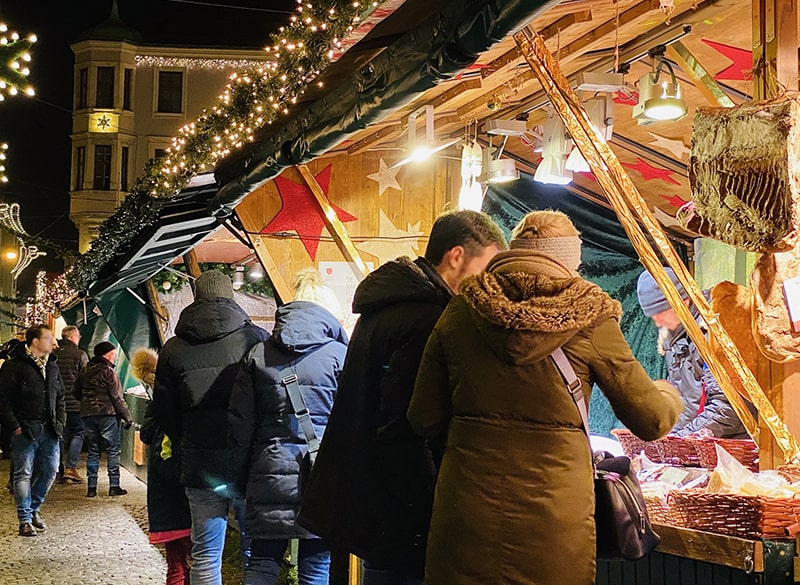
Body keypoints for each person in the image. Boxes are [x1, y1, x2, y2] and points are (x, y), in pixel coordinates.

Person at [407, 210, 683, 585]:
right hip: (555, 525)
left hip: (467, 515)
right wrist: (668, 392)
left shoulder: (460, 311)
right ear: (569, 261)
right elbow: (652, 420)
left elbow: (423, 416)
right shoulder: (591, 316)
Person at [298, 210, 507, 584]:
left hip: (366, 497)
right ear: (456, 256)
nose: (488, 282)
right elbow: (404, 429)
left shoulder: (388, 306)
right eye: (486, 267)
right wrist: (433, 510)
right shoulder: (426, 318)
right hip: (396, 511)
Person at [153, 269, 268, 585]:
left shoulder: (174, 348)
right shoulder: (255, 338)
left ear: (196, 297)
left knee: (206, 552)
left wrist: (185, 439)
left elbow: (164, 410)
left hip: (200, 464)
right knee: (253, 551)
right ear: (231, 295)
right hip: (248, 462)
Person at [231, 297, 348, 585]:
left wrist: (244, 472)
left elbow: (239, 420)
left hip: (268, 467)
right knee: (317, 564)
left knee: (262, 561)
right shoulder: (339, 355)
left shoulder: (257, 354)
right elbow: (353, 419)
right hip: (320, 473)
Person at [636, 267, 750, 438]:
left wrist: (681, 439)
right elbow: (682, 400)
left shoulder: (716, 328)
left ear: (684, 300)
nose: (658, 321)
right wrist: (667, 437)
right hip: (696, 443)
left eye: (661, 312)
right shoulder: (673, 336)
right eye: (653, 316)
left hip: (731, 444)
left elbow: (729, 406)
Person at [134, 348, 193, 585]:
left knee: (176, 562)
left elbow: (146, 434)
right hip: (188, 498)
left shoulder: (156, 402)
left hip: (165, 498)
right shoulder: (188, 412)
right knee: (197, 559)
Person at [0, 324, 66, 537]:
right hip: (25, 430)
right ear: (35, 341)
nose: (53, 342)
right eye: (48, 338)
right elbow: (4, 400)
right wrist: (15, 426)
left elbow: (61, 396)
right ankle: (25, 519)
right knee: (23, 473)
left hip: (50, 430)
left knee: (50, 470)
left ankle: (34, 507)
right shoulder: (14, 366)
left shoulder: (53, 365)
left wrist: (60, 421)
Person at [75, 341, 132, 497]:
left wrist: (88, 402)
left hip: (88, 414)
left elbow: (75, 391)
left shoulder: (85, 370)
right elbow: (116, 397)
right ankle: (114, 486)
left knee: (93, 451)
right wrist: (127, 417)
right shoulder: (108, 372)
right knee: (113, 450)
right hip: (107, 414)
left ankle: (91, 488)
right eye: (113, 354)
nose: (114, 357)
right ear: (107, 355)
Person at [55, 325, 89, 484]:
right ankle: (71, 468)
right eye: (78, 336)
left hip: (56, 403)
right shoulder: (80, 355)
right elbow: (86, 379)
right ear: (72, 337)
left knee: (60, 435)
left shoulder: (52, 355)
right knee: (78, 432)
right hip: (75, 403)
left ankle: (58, 469)